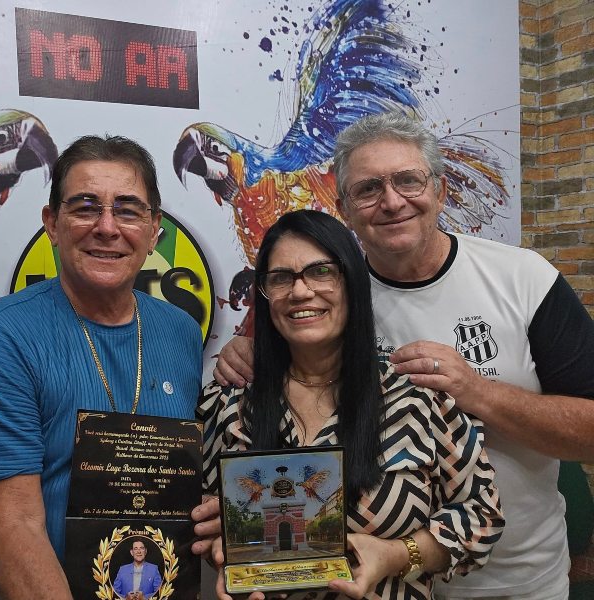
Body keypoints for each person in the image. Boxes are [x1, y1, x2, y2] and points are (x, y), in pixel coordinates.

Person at [213, 111, 594, 599]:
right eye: (368, 189)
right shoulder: (331, 295)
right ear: (343, 207)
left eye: (408, 181)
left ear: (440, 190)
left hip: (516, 579)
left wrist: (476, 391)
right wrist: (244, 351)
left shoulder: (524, 278)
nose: (392, 202)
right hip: (380, 584)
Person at [0, 135, 203, 599]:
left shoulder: (180, 331)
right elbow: (15, 531)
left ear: (153, 230)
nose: (107, 227)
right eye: (85, 208)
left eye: (127, 210)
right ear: (52, 224)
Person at [199, 209, 504, 599]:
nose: (300, 291)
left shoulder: (418, 397)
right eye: (280, 278)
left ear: (352, 283)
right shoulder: (231, 400)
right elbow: (203, 518)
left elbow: (481, 512)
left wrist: (398, 554)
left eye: (321, 272)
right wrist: (219, 546)